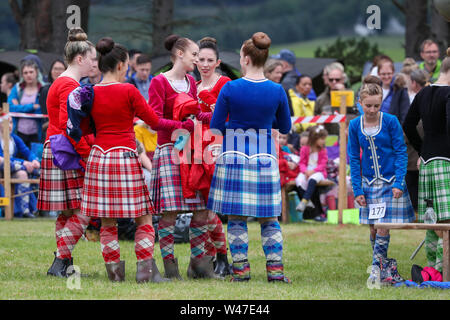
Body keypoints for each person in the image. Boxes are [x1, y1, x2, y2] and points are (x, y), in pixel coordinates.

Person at [73, 37, 168, 283]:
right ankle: (145, 272)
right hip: (125, 156)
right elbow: (155, 122)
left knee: (107, 220)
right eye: (127, 64)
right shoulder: (129, 90)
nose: (128, 69)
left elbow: (82, 129)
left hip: (99, 158)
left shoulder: (89, 92)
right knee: (144, 217)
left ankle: (114, 274)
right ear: (119, 65)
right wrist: (183, 124)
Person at [208, 32, 292, 283]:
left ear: (244, 59)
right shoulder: (277, 90)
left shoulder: (230, 88)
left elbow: (215, 127)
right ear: (265, 59)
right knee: (269, 217)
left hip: (234, 154)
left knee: (236, 217)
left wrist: (232, 124)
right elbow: (285, 127)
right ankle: (275, 272)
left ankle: (241, 271)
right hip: (265, 154)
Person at [147, 34, 220, 280]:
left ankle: (198, 266)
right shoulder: (159, 82)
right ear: (180, 54)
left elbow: (195, 112)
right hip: (169, 150)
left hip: (191, 151)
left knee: (200, 208)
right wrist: (181, 125)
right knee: (170, 212)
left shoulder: (191, 81)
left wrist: (205, 116)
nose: (197, 60)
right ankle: (170, 268)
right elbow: (154, 120)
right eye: (194, 55)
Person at [39, 27, 97, 278]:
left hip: (55, 149)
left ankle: (62, 264)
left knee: (67, 211)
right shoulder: (69, 85)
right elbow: (69, 126)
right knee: (84, 210)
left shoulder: (62, 81)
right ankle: (61, 261)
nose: (95, 64)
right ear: (80, 58)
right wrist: (88, 151)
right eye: (92, 59)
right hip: (65, 151)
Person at [348, 82, 415, 285]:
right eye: (368, 105)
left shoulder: (391, 121)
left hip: (390, 182)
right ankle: (385, 268)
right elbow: (353, 157)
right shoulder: (354, 125)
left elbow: (401, 152)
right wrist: (357, 189)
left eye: (376, 106)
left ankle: (375, 270)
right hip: (369, 184)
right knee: (373, 229)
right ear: (360, 103)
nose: (372, 110)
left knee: (383, 227)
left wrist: (399, 181)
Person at [403, 51, 450, 274]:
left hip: (428, 164)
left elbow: (408, 124)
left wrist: (422, 150)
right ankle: (444, 269)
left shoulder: (423, 93)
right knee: (448, 220)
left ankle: (431, 268)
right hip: (446, 163)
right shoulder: (449, 94)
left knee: (432, 222)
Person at [195, 36, 232, 277]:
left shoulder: (225, 83)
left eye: (210, 60)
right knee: (201, 206)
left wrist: (204, 113)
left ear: (217, 62)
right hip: (194, 144)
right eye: (201, 59)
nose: (205, 64)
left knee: (211, 206)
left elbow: (229, 118)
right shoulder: (192, 85)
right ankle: (207, 258)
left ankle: (222, 256)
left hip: (218, 144)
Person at [0, 117, 40, 218]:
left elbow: (27, 151)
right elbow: (3, 157)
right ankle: (4, 208)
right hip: (2, 167)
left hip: (12, 168)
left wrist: (34, 160)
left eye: (11, 123)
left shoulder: (14, 138)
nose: (9, 125)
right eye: (5, 123)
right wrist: (24, 163)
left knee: (22, 174)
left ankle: (25, 211)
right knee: (1, 160)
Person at [8, 60, 46, 147]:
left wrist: (19, 107)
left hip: (37, 134)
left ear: (36, 72)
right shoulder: (17, 88)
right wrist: (32, 106)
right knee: (19, 159)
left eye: (31, 72)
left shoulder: (44, 88)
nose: (28, 75)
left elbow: (43, 110)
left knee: (36, 159)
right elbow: (10, 107)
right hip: (18, 132)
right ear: (22, 75)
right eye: (25, 73)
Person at [294, 125, 328, 214]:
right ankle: (308, 201)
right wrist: (305, 171)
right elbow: (301, 163)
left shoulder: (323, 151)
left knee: (312, 179)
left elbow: (323, 164)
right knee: (299, 180)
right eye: (322, 139)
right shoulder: (304, 149)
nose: (324, 141)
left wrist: (312, 171)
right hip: (306, 171)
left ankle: (304, 201)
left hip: (318, 172)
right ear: (314, 138)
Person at [39, 59, 67, 141]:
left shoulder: (70, 88)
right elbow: (45, 115)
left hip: (65, 131)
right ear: (51, 71)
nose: (58, 71)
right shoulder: (45, 90)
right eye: (55, 69)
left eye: (61, 69)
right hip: (50, 131)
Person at [378, 56, 411, 125]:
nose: (386, 77)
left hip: (393, 130)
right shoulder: (374, 89)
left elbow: (405, 115)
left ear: (393, 73)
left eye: (389, 74)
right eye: (383, 74)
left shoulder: (400, 90)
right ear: (378, 73)